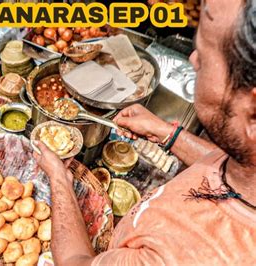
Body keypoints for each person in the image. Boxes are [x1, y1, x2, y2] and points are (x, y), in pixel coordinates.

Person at [34, 0, 256, 264]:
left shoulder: (182, 254)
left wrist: (60, 178)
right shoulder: (245, 166)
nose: (193, 60)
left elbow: (75, 261)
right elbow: (228, 164)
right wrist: (166, 133)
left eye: (205, 56)